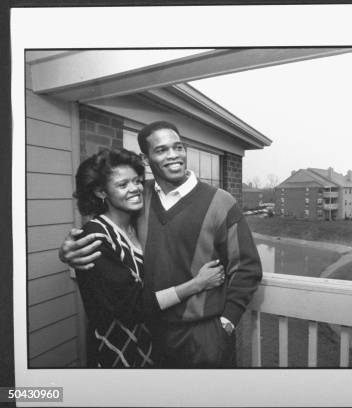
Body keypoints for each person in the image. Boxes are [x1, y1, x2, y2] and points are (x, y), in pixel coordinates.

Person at [60, 121, 262, 368]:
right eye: (162, 150)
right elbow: (107, 226)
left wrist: (226, 324)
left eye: (178, 147)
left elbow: (247, 269)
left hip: (203, 336)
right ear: (147, 159)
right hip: (149, 336)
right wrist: (68, 250)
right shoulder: (140, 196)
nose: (173, 155)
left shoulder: (222, 202)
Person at [73, 148, 225, 368]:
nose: (135, 189)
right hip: (117, 349)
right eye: (123, 185)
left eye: (136, 181)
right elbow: (134, 305)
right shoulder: (95, 237)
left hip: (151, 344)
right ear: (100, 192)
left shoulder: (137, 225)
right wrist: (197, 284)